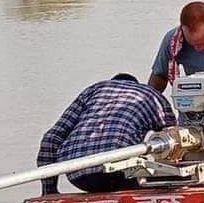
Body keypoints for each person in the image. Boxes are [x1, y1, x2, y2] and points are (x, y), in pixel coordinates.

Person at [37, 74, 177, 195]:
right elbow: (175, 142)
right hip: (122, 174)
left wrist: (49, 191)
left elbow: (51, 139)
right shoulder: (151, 95)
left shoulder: (94, 90)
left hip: (79, 176)